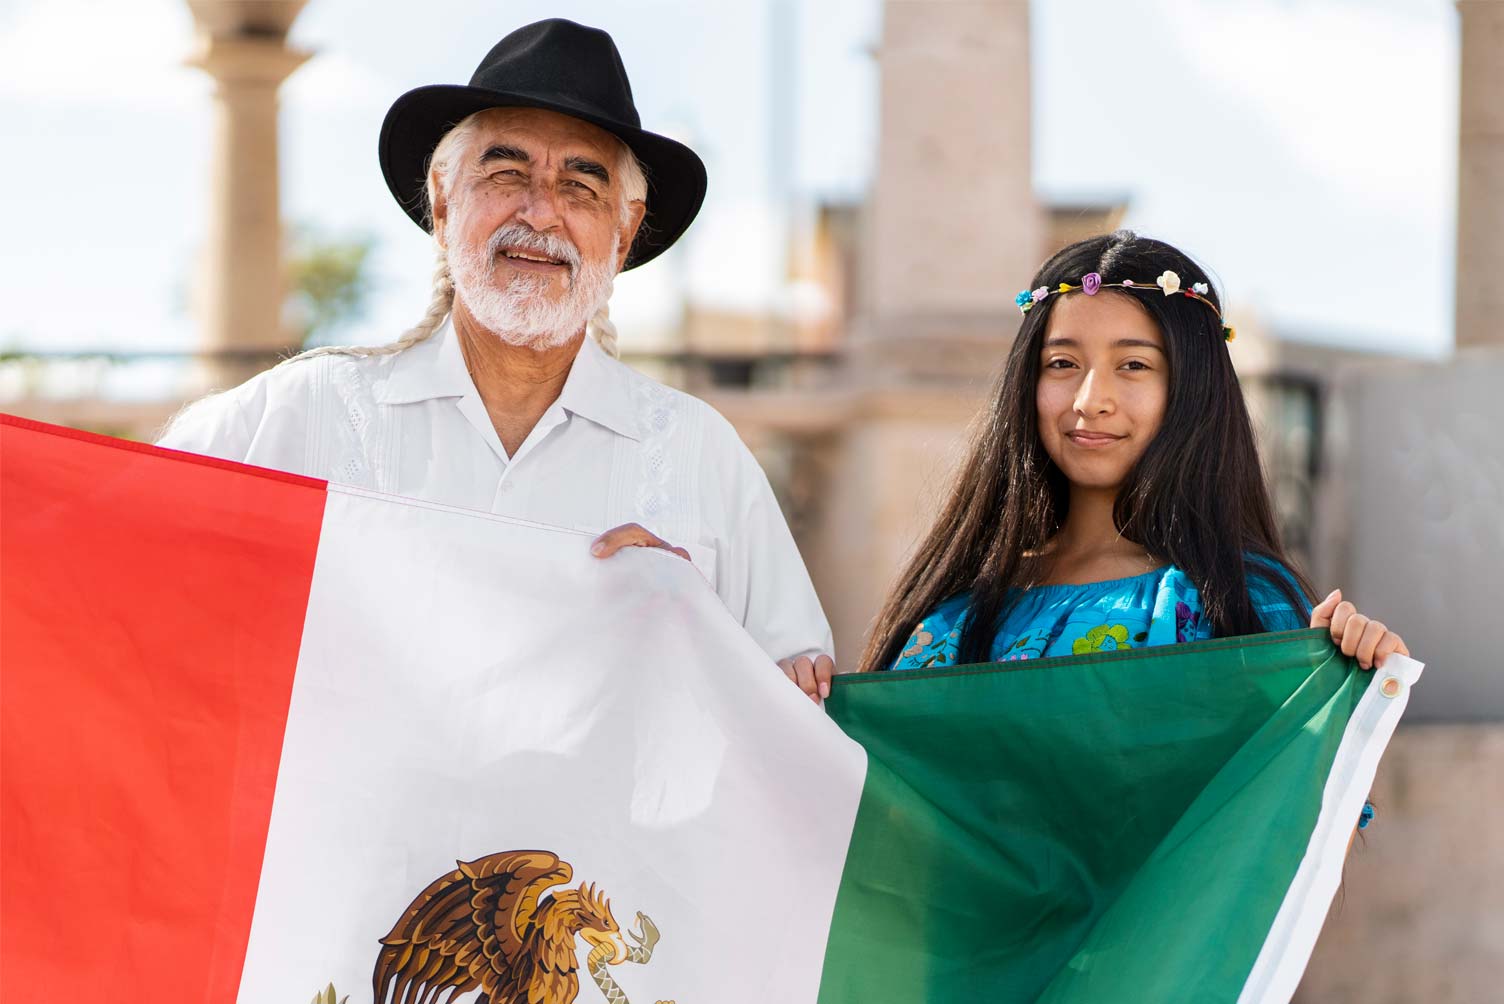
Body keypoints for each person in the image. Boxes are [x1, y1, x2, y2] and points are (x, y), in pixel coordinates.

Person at [157, 19, 834, 674]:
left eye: (580, 185)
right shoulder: (295, 418)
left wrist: (694, 631)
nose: (540, 213)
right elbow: (111, 565)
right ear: (444, 200)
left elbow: (793, 714)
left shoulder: (702, 459)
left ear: (624, 233)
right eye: (507, 174)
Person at [823, 230, 1406, 681]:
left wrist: (1358, 691)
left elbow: (1300, 822)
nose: (1090, 400)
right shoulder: (957, 613)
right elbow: (881, 800)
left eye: (1133, 365)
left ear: (1191, 389)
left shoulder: (1243, 604)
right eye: (1061, 364)